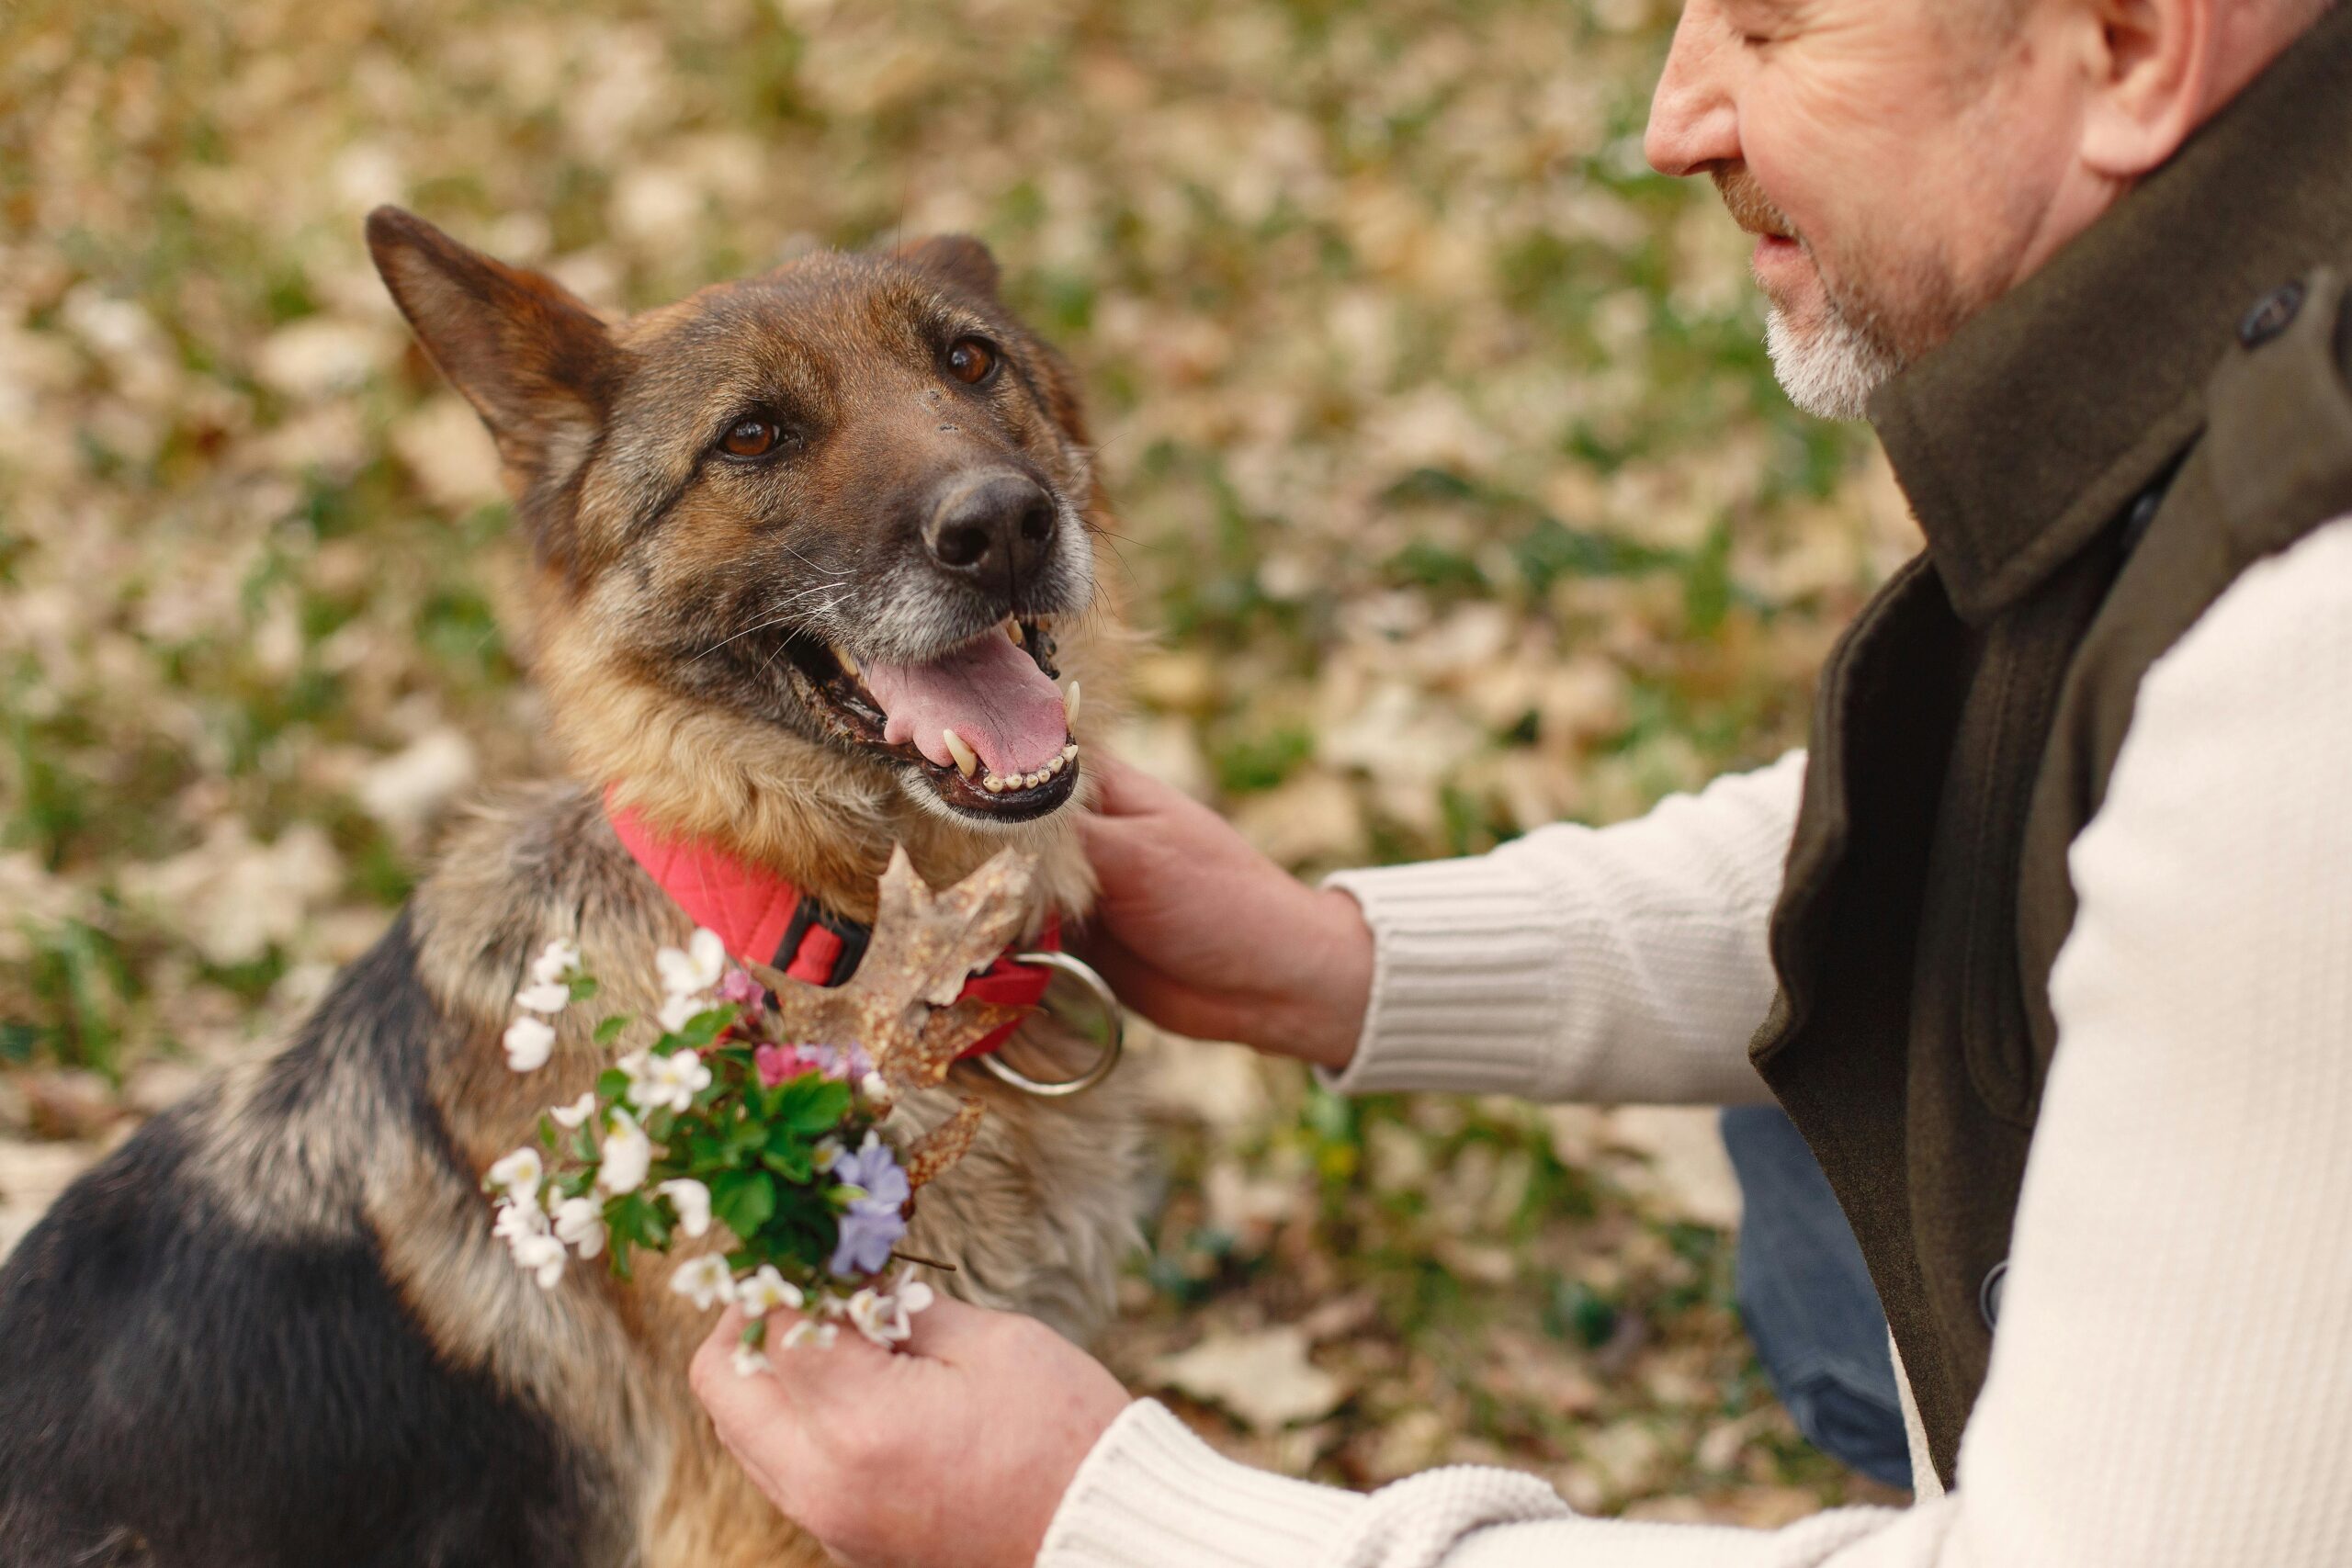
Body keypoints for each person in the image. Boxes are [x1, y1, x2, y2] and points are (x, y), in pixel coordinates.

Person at [690, 0, 2352, 1562]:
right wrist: (1344, 960)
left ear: (2128, 45)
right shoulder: (2202, 390)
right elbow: (1996, 834)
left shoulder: (2302, 683)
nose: (1673, 120)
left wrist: (1115, 1515)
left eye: (1777, 24)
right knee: (1809, 1149)